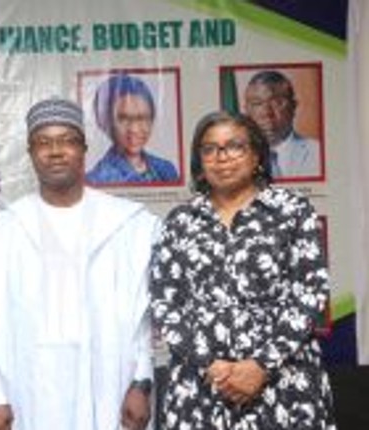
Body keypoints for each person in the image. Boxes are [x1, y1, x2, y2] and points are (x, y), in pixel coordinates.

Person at [0, 97, 159, 430]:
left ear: (83, 149)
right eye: (43, 142)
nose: (55, 151)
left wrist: (141, 382)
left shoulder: (128, 225)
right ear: (30, 153)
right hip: (30, 386)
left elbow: (142, 317)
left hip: (109, 382)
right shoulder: (3, 231)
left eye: (66, 141)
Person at [150, 110, 335, 429]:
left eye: (234, 146)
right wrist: (213, 367)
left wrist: (260, 366)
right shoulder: (180, 221)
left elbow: (310, 292)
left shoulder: (292, 212)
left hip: (283, 383)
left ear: (257, 156)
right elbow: (166, 303)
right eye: (209, 149)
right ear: (200, 161)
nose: (221, 157)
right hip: (202, 386)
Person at [85, 74, 179, 184]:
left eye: (142, 118)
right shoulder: (97, 179)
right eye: (123, 119)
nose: (134, 129)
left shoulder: (167, 170)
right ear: (106, 123)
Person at [243, 70, 322, 179]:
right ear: (246, 111)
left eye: (277, 103)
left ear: (293, 106)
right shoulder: (234, 158)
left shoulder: (318, 153)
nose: (267, 113)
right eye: (257, 104)